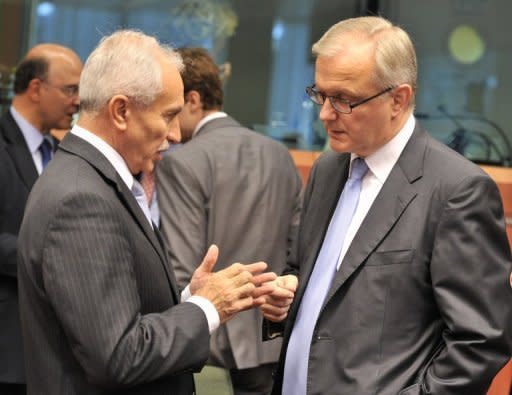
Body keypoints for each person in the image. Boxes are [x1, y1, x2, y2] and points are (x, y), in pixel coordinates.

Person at [261, 16, 512, 395]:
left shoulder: (457, 191)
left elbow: (480, 342)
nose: (325, 114)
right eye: (320, 94)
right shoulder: (328, 169)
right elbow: (310, 271)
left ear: (399, 99)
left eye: (344, 100)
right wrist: (287, 297)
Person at [17, 30, 275, 395]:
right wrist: (207, 308)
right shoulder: (81, 199)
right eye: (168, 115)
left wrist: (187, 300)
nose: (175, 134)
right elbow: (118, 356)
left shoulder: (93, 181)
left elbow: (116, 315)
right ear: (120, 110)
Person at [156, 47, 303, 395]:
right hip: (273, 339)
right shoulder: (279, 154)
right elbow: (298, 248)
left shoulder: (183, 162)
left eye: (174, 111)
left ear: (193, 100)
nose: (171, 127)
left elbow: (183, 267)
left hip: (211, 350)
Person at [0, 43, 82, 394]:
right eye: (70, 89)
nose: (78, 101)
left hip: (55, 351)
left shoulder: (64, 151)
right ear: (35, 88)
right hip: (9, 346)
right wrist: (52, 259)